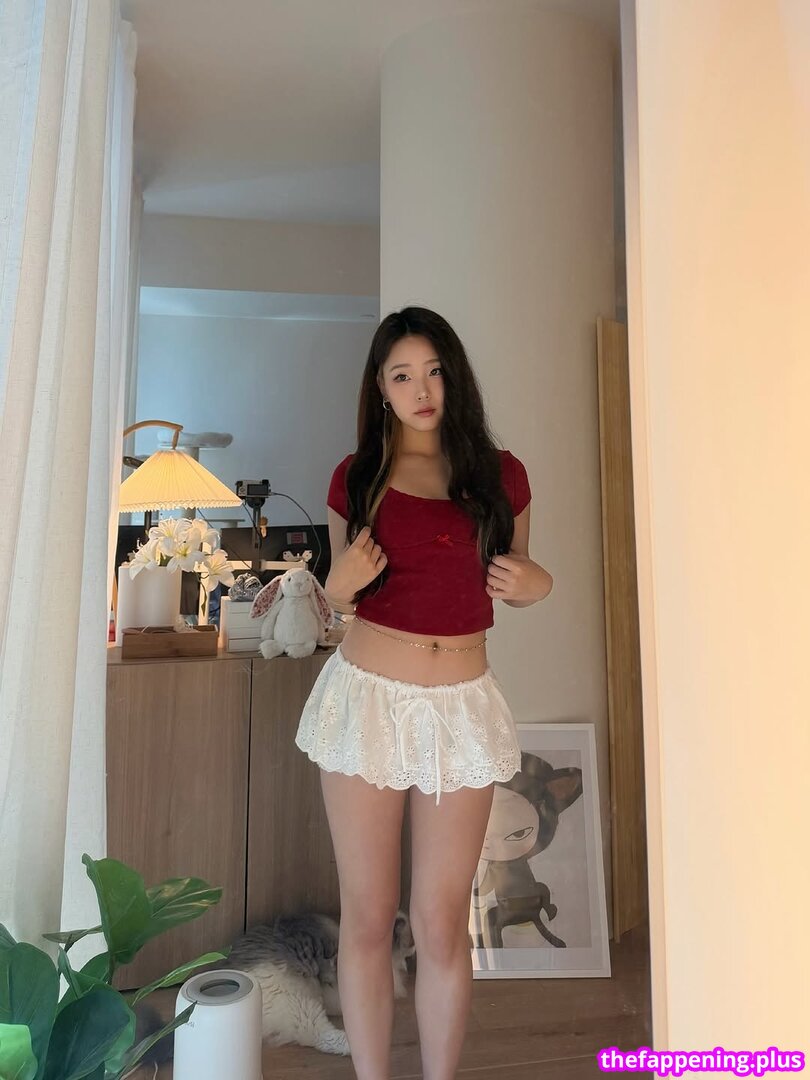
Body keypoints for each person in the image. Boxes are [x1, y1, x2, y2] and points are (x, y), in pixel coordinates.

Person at [295, 306, 553, 1080]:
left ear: (454, 376)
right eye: (402, 375)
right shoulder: (357, 477)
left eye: (434, 371)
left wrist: (537, 584)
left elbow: (521, 578)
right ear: (380, 388)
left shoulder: (501, 476)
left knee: (441, 923)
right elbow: (336, 603)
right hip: (368, 699)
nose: (421, 389)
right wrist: (336, 586)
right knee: (369, 916)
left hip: (462, 706)